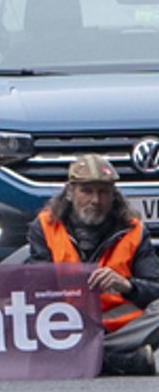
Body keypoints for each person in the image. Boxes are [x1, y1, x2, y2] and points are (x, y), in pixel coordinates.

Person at [24, 154, 159, 376]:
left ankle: (85, 356)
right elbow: (34, 287)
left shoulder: (134, 230)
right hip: (62, 325)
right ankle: (116, 362)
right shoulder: (45, 226)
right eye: (87, 191)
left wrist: (127, 286)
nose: (95, 200)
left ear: (113, 195)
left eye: (103, 192)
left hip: (119, 330)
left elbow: (155, 289)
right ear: (70, 192)